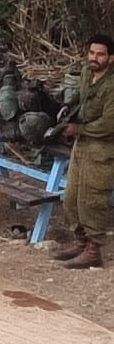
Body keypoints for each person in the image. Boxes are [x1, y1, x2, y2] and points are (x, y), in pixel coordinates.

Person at [53, 33, 114, 270]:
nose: (94, 58)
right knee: (72, 196)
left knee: (92, 199)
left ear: (110, 58)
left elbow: (109, 123)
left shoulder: (111, 85)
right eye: (92, 53)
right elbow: (80, 95)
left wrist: (78, 128)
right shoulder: (88, 73)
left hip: (102, 146)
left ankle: (94, 250)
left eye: (100, 54)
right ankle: (80, 242)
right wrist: (67, 106)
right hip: (82, 143)